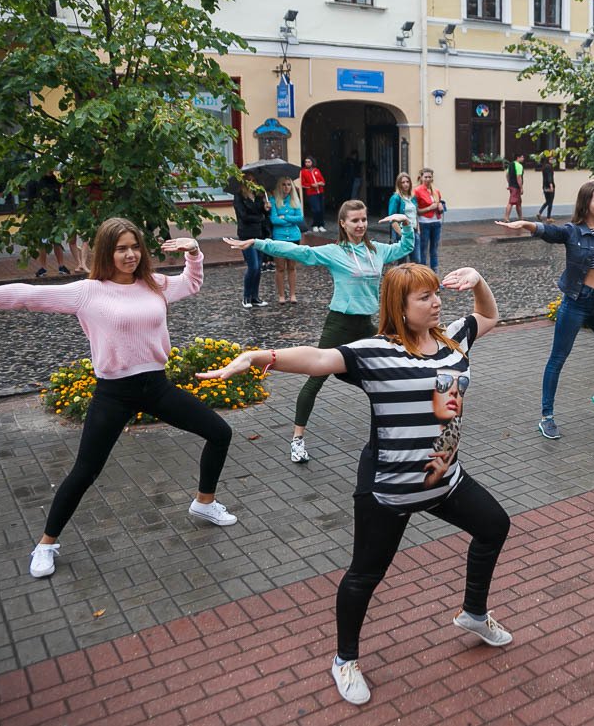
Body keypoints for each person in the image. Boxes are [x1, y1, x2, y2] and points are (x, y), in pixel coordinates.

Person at [198, 263, 509, 706]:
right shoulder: (375, 352)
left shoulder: (453, 338)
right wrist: (257, 357)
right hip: (389, 489)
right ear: (399, 307)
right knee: (365, 575)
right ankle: (345, 659)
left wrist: (480, 280)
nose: (437, 302)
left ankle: (474, 614)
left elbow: (490, 316)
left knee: (495, 525)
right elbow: (319, 358)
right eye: (424, 297)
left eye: (436, 293)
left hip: (444, 479)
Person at [0, 218, 237, 577]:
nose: (130, 255)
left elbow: (191, 283)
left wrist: (195, 253)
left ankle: (204, 503)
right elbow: (24, 295)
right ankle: (46, 543)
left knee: (220, 433)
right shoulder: (87, 292)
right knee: (85, 471)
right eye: (121, 248)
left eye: (135, 247)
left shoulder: (154, 285)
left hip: (156, 387)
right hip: (114, 394)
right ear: (107, 251)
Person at [224, 200, 414, 463]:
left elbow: (406, 247)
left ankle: (390, 432)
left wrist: (406, 224)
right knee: (315, 378)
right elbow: (296, 251)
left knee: (383, 374)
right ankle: (297, 439)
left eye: (363, 219)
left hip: (366, 325)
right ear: (343, 223)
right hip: (339, 323)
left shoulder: (377, 251)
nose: (360, 225)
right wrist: (258, 242)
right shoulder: (334, 252)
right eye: (354, 220)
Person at [495, 177, 594, 440]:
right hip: (576, 303)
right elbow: (548, 232)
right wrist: (524, 223)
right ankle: (547, 416)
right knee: (558, 359)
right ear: (586, 203)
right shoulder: (573, 231)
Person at [232, 173, 270, 308]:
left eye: (254, 180)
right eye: (249, 180)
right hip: (246, 234)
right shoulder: (239, 197)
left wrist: (266, 209)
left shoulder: (259, 197)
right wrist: (260, 217)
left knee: (258, 267)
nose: (251, 183)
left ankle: (255, 297)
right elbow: (243, 216)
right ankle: (246, 297)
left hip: (259, 234)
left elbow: (264, 215)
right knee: (252, 265)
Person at [268, 176, 304, 303]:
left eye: (289, 184)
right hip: (279, 237)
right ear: (279, 186)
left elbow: (300, 218)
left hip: (294, 236)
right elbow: (274, 219)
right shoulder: (273, 200)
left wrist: (285, 217)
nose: (286, 187)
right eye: (283, 184)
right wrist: (288, 220)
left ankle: (293, 294)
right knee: (280, 267)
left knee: (292, 266)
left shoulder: (295, 200)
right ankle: (281, 295)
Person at [413, 168, 444, 273]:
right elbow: (416, 211)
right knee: (423, 249)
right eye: (425, 177)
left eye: (430, 177)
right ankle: (423, 273)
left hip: (436, 222)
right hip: (424, 222)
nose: (428, 179)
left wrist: (440, 207)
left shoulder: (436, 190)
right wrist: (429, 208)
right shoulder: (417, 191)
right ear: (421, 177)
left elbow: (440, 203)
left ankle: (434, 273)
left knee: (434, 250)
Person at [387, 172, 421, 264]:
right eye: (403, 182)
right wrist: (402, 234)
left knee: (417, 260)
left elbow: (415, 214)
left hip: (414, 231)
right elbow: (392, 218)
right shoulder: (395, 198)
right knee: (402, 260)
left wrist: (418, 229)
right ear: (399, 184)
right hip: (402, 232)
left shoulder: (413, 197)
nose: (405, 184)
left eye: (407, 182)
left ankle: (415, 278)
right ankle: (401, 278)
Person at [300, 156, 327, 233]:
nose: (307, 163)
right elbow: (303, 184)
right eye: (306, 162)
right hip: (311, 193)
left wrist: (319, 183)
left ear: (312, 162)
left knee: (321, 209)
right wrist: (311, 185)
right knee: (316, 209)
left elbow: (323, 181)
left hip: (320, 192)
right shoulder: (303, 171)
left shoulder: (317, 170)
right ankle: (315, 224)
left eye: (309, 162)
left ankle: (321, 225)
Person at [503, 153, 525, 222]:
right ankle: (506, 218)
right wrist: (521, 187)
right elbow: (518, 177)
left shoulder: (511, 164)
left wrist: (509, 182)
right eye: (522, 157)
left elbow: (507, 174)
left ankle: (521, 217)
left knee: (518, 202)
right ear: (518, 157)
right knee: (511, 202)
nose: (523, 158)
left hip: (512, 186)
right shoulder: (519, 166)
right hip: (516, 187)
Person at [537, 155, 556, 221]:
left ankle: (540, 213)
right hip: (549, 186)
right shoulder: (549, 167)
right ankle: (548, 217)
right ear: (548, 160)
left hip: (545, 186)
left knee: (548, 201)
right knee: (550, 202)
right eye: (551, 159)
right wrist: (551, 186)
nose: (553, 160)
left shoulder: (545, 167)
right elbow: (549, 177)